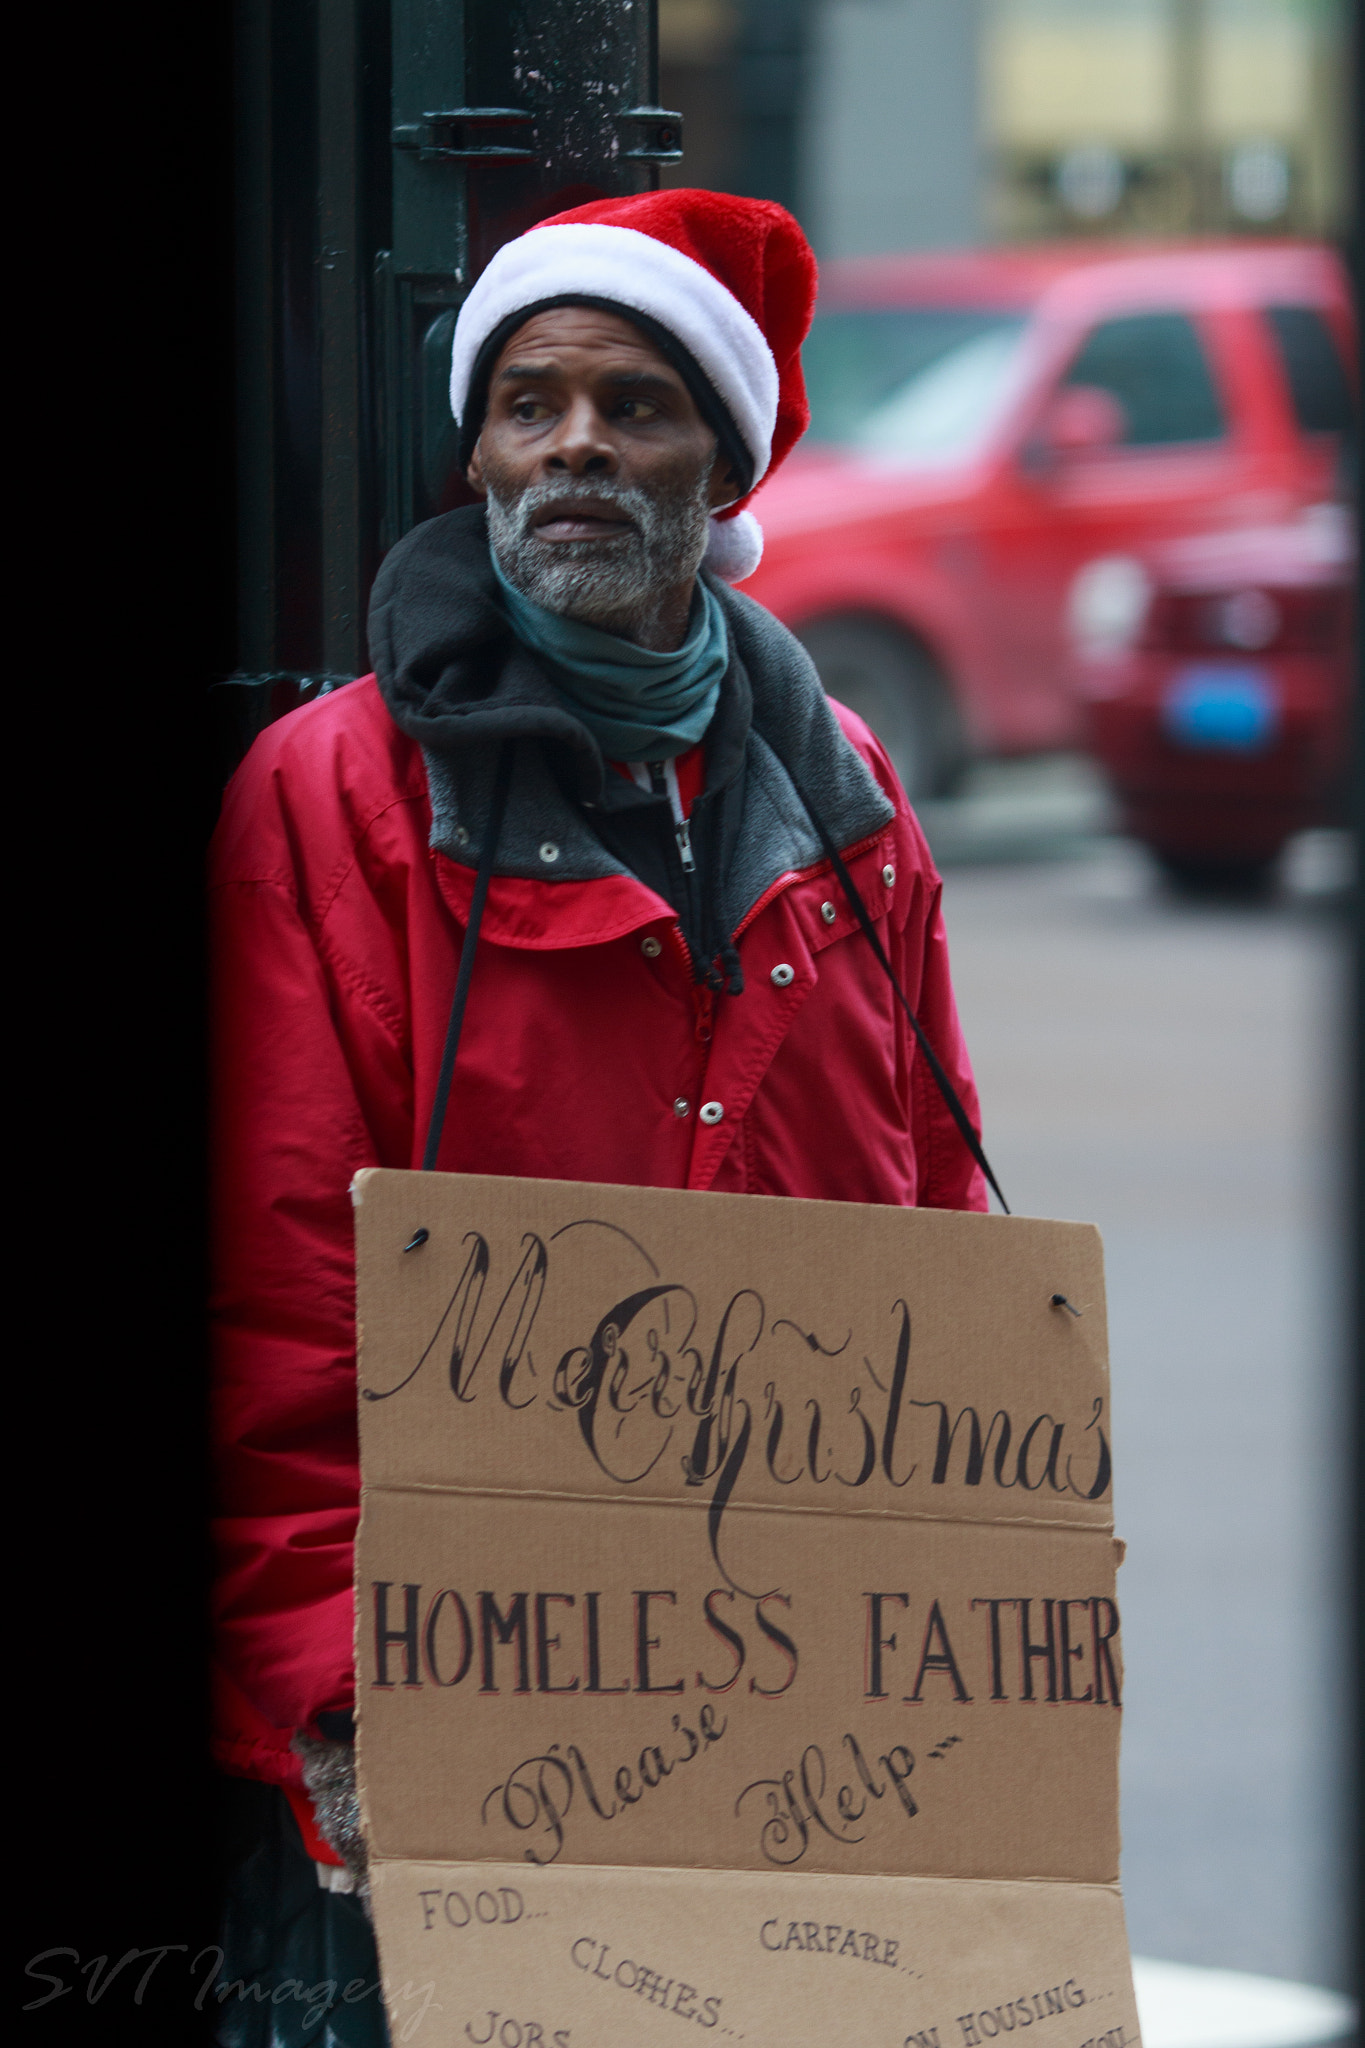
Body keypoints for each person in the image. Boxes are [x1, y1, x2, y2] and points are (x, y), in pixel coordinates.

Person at [209, 187, 989, 2040]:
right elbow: (277, 1295)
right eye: (528, 403)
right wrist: (341, 1693)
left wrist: (970, 1610)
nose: (573, 446)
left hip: (796, 1704)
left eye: (633, 405)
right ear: (472, 451)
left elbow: (936, 1228)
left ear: (720, 464)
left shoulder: (845, 780)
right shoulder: (326, 799)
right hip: (479, 1697)